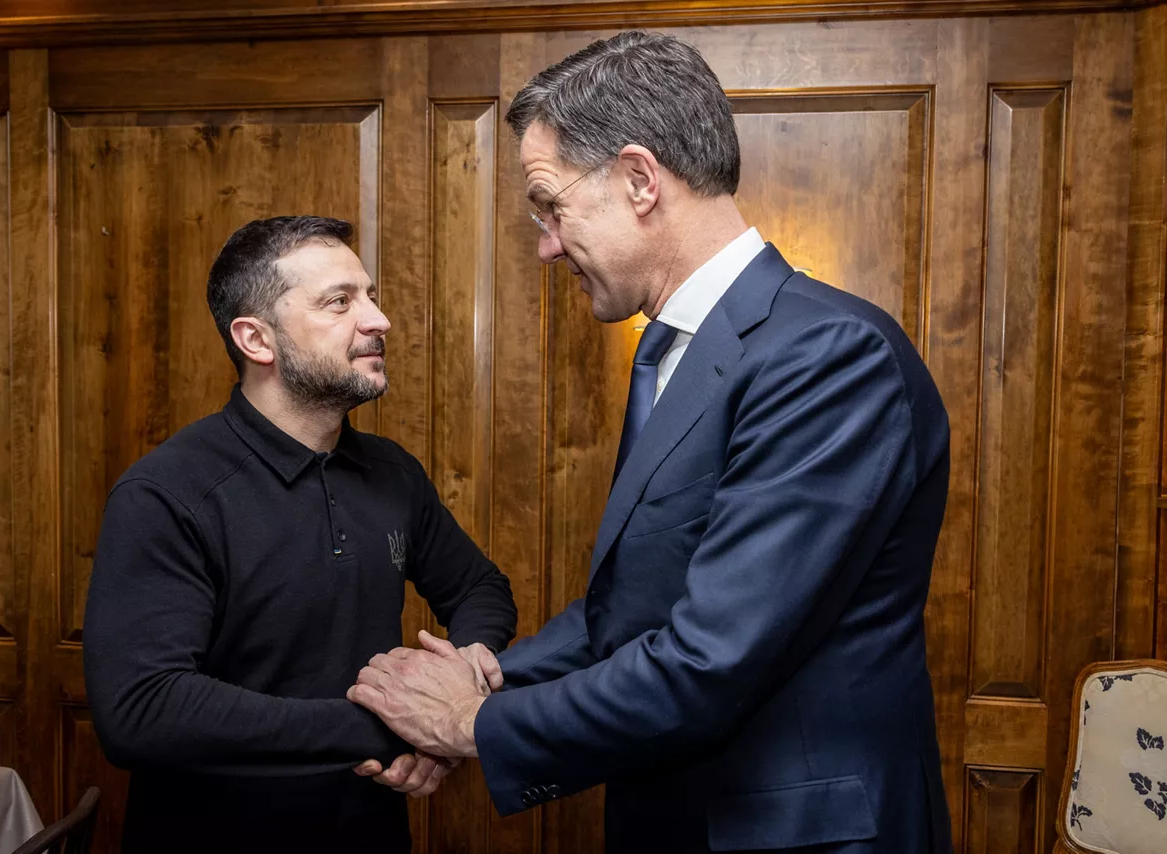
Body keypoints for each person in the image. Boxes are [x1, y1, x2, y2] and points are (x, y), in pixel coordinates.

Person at [347, 32, 954, 854]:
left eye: (552, 205)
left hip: (794, 833)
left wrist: (474, 721)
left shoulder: (828, 355)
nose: (546, 244)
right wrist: (490, 674)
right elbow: (633, 612)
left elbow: (712, 659)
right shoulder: (679, 348)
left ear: (639, 179)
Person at [83, 215, 517, 853]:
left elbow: (480, 587)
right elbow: (142, 710)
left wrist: (461, 674)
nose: (377, 320)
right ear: (257, 339)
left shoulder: (392, 472)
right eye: (339, 302)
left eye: (368, 295)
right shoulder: (166, 495)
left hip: (369, 831)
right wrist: (389, 728)